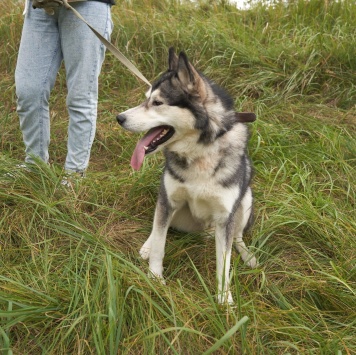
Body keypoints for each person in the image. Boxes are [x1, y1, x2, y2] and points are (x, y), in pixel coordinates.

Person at [15, 0, 114, 179]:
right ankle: (35, 167)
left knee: (80, 96)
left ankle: (74, 175)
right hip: (39, 7)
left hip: (88, 5)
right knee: (28, 91)